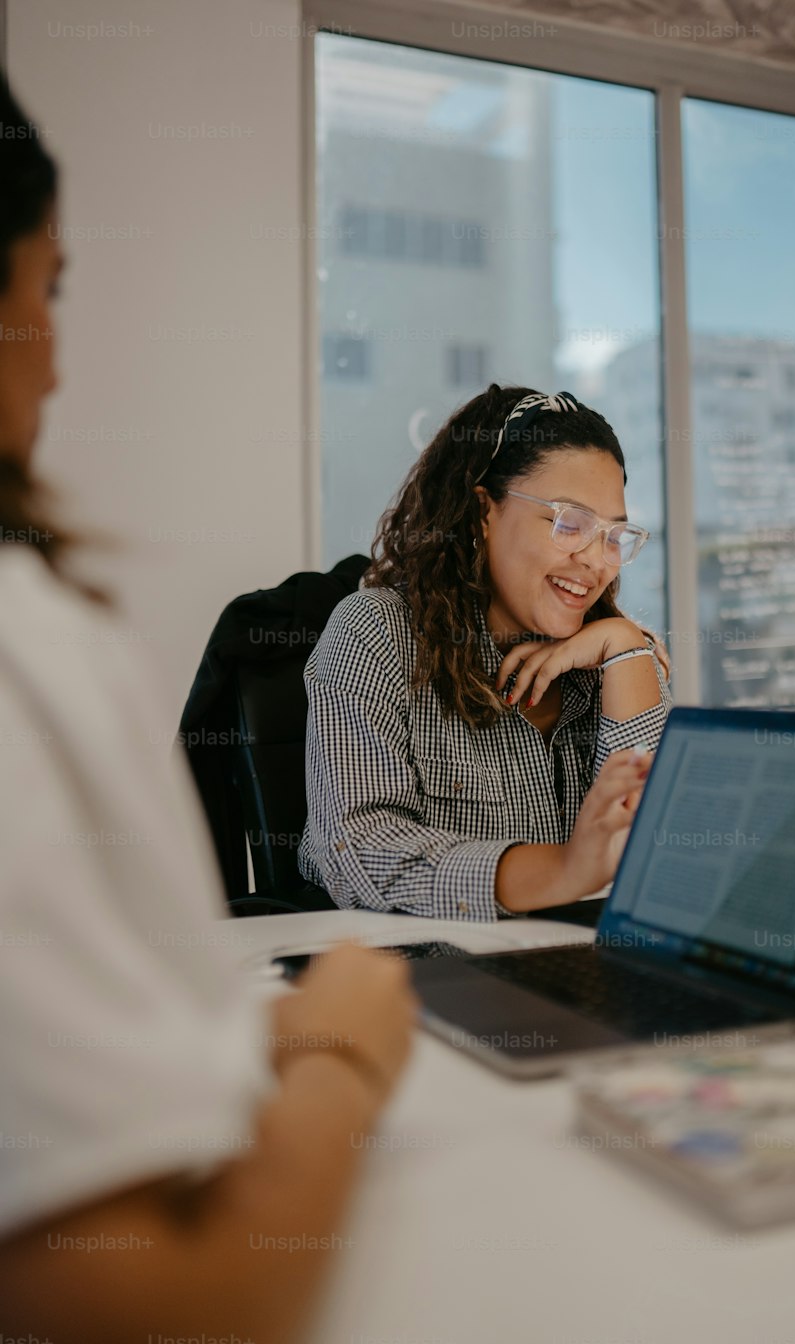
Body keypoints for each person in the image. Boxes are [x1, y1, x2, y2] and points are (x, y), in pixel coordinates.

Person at [0, 76, 415, 1344]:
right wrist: (335, 1053)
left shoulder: (595, 663)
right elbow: (133, 1302)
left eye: (609, 530)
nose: (58, 355)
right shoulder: (355, 636)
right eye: (47, 288)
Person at [299, 385, 672, 919]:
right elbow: (355, 848)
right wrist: (564, 870)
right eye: (570, 523)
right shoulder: (376, 632)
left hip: (587, 969)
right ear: (483, 513)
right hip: (436, 979)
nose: (597, 561)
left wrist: (626, 648)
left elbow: (665, 860)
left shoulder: (616, 656)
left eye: (613, 535)